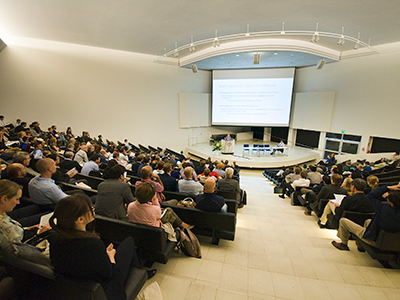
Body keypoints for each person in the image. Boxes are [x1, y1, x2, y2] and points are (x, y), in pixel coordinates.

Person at [48, 194, 156, 300]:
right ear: (80, 219)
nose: (93, 209)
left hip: (75, 288)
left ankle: (140, 271)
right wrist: (111, 257)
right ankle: (140, 271)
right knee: (129, 242)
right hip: (106, 290)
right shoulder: (93, 244)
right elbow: (110, 274)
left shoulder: (55, 239)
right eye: (90, 209)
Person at [332, 183, 400, 251]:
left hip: (375, 241)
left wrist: (388, 187)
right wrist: (387, 198)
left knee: (343, 221)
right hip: (394, 243)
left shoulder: (384, 209)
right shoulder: (390, 209)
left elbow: (371, 196)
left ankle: (343, 244)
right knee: (367, 221)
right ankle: (360, 245)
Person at [0, 180, 50, 254]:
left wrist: (28, 229)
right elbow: (19, 250)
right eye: (16, 199)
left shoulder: (3, 214)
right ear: (4, 199)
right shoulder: (3, 225)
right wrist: (39, 235)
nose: (18, 202)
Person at [127, 181, 192, 231]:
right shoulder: (154, 210)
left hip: (137, 232)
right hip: (154, 234)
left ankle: (182, 225)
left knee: (169, 210)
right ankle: (182, 225)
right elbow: (158, 212)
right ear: (151, 197)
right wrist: (155, 199)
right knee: (169, 212)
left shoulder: (130, 206)